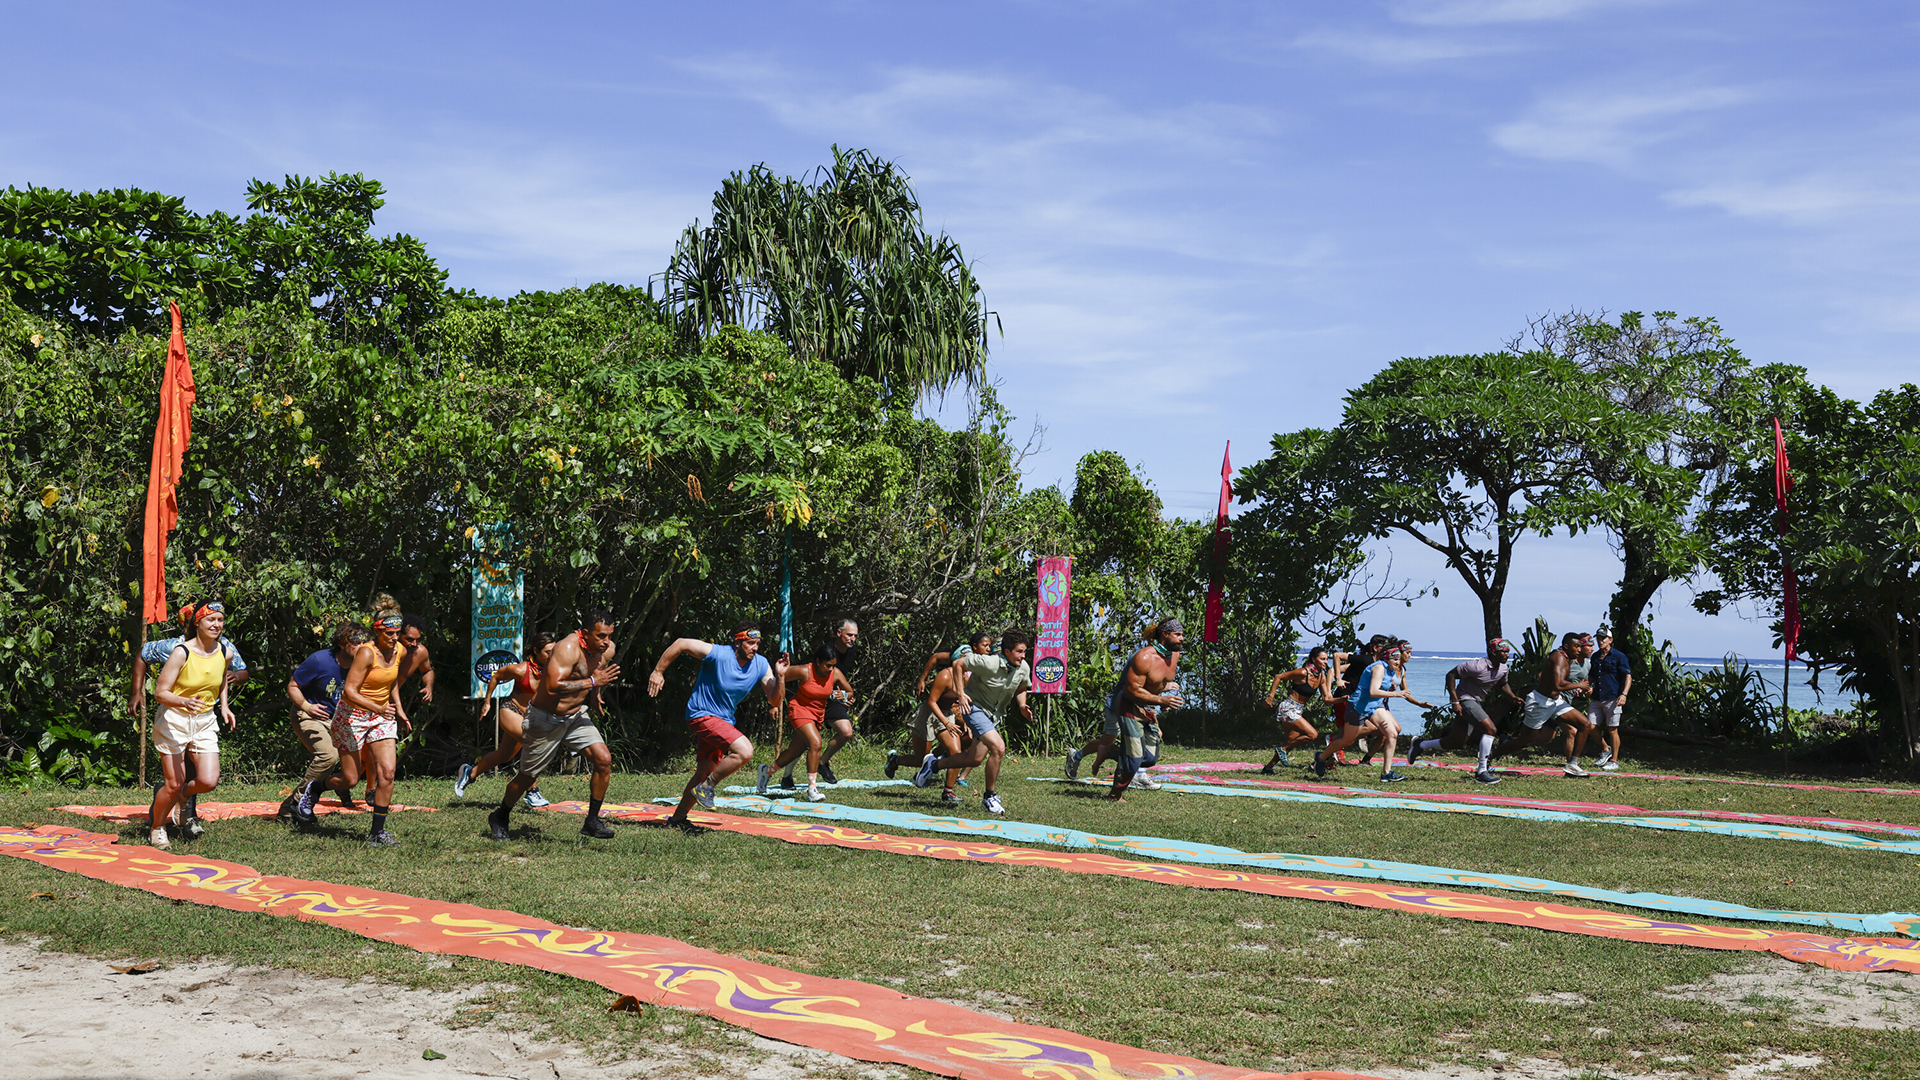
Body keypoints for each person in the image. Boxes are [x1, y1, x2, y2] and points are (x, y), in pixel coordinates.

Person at [489, 613, 623, 841]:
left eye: (609, 636)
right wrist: (593, 683)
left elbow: (597, 673)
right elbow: (552, 687)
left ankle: (592, 821)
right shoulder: (567, 648)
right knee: (527, 776)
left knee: (603, 760)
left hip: (575, 716)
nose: (606, 641)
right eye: (601, 636)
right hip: (545, 718)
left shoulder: (604, 649)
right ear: (586, 632)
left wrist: (595, 695)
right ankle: (500, 816)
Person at [650, 621, 787, 828]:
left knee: (705, 770)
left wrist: (781, 676)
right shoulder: (718, 653)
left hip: (722, 720)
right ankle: (707, 787)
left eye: (757, 643)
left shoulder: (760, 664)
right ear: (737, 642)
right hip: (701, 714)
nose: (755, 648)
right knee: (744, 751)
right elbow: (680, 643)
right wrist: (658, 672)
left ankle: (677, 819)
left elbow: (775, 700)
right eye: (750, 643)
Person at [130, 604, 250, 839]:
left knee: (208, 780)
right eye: (210, 620)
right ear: (197, 623)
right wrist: (182, 702)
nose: (217, 624)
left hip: (204, 720)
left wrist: (224, 706)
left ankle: (181, 797)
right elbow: (159, 693)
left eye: (220, 620)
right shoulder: (178, 650)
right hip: (175, 719)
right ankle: (157, 827)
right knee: (174, 783)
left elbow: (223, 679)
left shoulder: (226, 651)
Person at [911, 629, 1032, 814]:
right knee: (999, 748)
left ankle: (933, 765)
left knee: (974, 759)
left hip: (993, 715)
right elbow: (959, 664)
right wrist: (960, 692)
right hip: (974, 708)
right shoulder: (989, 662)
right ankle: (989, 797)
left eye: (1025, 652)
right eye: (1019, 651)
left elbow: (1022, 687)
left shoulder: (1023, 668)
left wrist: (1022, 705)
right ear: (1007, 651)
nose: (1023, 656)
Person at [332, 602, 413, 845]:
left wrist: (398, 708)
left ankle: (377, 832)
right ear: (377, 631)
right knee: (351, 779)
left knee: (387, 772)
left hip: (381, 716)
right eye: (389, 634)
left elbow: (392, 682)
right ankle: (316, 788)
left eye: (398, 633)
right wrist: (378, 706)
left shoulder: (400, 650)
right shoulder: (366, 653)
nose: (394, 638)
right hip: (352, 715)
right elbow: (349, 691)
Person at [454, 631, 556, 806]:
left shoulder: (555, 670)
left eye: (554, 651)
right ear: (536, 651)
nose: (552, 655)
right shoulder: (520, 669)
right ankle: (532, 791)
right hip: (511, 710)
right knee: (532, 741)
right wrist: (487, 702)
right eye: (548, 651)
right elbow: (496, 677)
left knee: (504, 755)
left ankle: (470, 773)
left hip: (529, 716)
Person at [1407, 638, 1523, 785]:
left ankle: (1420, 745)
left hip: (1477, 701)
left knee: (1456, 741)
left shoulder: (1503, 668)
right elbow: (1451, 675)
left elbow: (1502, 683)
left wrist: (1513, 697)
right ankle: (1482, 772)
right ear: (1493, 652)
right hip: (1465, 699)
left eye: (1508, 652)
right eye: (1504, 652)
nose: (1507, 655)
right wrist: (1455, 700)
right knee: (1490, 729)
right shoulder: (1477, 666)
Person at [1313, 637, 1429, 783]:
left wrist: (1392, 689)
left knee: (1392, 733)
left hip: (1375, 706)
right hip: (1357, 707)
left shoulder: (1391, 671)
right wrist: (1395, 693)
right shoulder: (1379, 667)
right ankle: (1321, 757)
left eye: (1399, 659)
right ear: (1387, 658)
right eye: (1395, 659)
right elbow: (1373, 691)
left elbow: (1380, 689)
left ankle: (1386, 773)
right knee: (1347, 740)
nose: (1398, 662)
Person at [284, 622, 366, 826]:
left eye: (365, 641)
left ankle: (340, 785)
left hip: (342, 720)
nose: (361, 645)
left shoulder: (365, 664)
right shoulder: (320, 660)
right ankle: (294, 804)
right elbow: (292, 686)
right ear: (342, 642)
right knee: (328, 756)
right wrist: (306, 706)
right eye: (355, 641)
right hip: (311, 715)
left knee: (364, 761)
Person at [1100, 618, 1185, 800]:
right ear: (1165, 634)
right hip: (1129, 705)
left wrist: (1163, 703)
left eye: (1182, 634)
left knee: (1150, 758)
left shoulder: (1174, 655)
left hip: (1149, 707)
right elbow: (1131, 690)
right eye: (1178, 634)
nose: (1182, 638)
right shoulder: (1144, 657)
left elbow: (1159, 682)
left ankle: (1111, 751)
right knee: (1134, 757)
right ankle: (1115, 794)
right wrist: (1161, 700)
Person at [1492, 632, 1597, 777]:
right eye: (1577, 646)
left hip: (1556, 702)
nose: (1579, 649)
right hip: (1540, 702)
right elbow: (1558, 685)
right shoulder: (1558, 658)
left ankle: (1572, 765)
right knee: (1525, 740)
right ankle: (1489, 757)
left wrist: (1577, 688)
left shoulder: (1569, 658)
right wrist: (1579, 685)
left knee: (1585, 724)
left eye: (1580, 647)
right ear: (1566, 646)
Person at [760, 642, 854, 802]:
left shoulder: (835, 673)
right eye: (827, 666)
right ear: (818, 661)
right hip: (799, 710)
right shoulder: (804, 670)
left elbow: (850, 692)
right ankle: (812, 789)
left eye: (833, 666)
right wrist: (773, 704)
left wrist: (842, 696)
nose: (830, 669)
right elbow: (777, 679)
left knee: (794, 752)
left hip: (817, 715)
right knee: (816, 743)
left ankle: (766, 771)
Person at [891, 633, 989, 779]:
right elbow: (931, 702)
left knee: (955, 753)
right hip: (929, 714)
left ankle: (948, 791)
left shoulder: (967, 678)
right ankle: (895, 760)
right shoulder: (945, 676)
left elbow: (967, 700)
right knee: (919, 760)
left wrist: (968, 721)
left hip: (947, 713)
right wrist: (947, 723)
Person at [779, 618, 860, 788]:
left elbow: (843, 684)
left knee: (846, 732)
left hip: (831, 699)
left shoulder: (851, 652)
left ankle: (823, 763)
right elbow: (808, 677)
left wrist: (844, 696)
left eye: (855, 636)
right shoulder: (826, 651)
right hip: (812, 700)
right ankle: (787, 776)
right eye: (849, 635)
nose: (853, 639)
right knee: (802, 743)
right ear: (839, 633)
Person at [1259, 647, 1334, 773]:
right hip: (1288, 708)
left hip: (1298, 710)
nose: (1326, 662)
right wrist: (1271, 696)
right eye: (1322, 659)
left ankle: (1268, 768)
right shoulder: (1303, 673)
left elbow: (1326, 699)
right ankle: (1282, 750)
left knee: (1289, 743)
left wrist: (1344, 699)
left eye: (1326, 659)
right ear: (1314, 659)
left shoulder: (1321, 677)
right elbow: (1279, 677)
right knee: (1312, 735)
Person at [1586, 629, 1632, 771]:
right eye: (1599, 638)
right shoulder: (1595, 657)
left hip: (1613, 698)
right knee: (1589, 725)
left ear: (1610, 640)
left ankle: (1614, 760)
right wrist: (1587, 687)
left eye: (1604, 638)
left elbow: (1628, 676)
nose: (1601, 641)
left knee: (1612, 729)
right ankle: (1606, 749)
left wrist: (1624, 694)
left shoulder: (1619, 656)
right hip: (1597, 698)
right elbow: (1592, 676)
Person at [398, 611, 436, 705]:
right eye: (409, 639)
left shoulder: (420, 652)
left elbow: (427, 670)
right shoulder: (382, 651)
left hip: (388, 704)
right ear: (397, 635)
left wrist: (428, 687)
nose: (414, 644)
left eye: (418, 640)